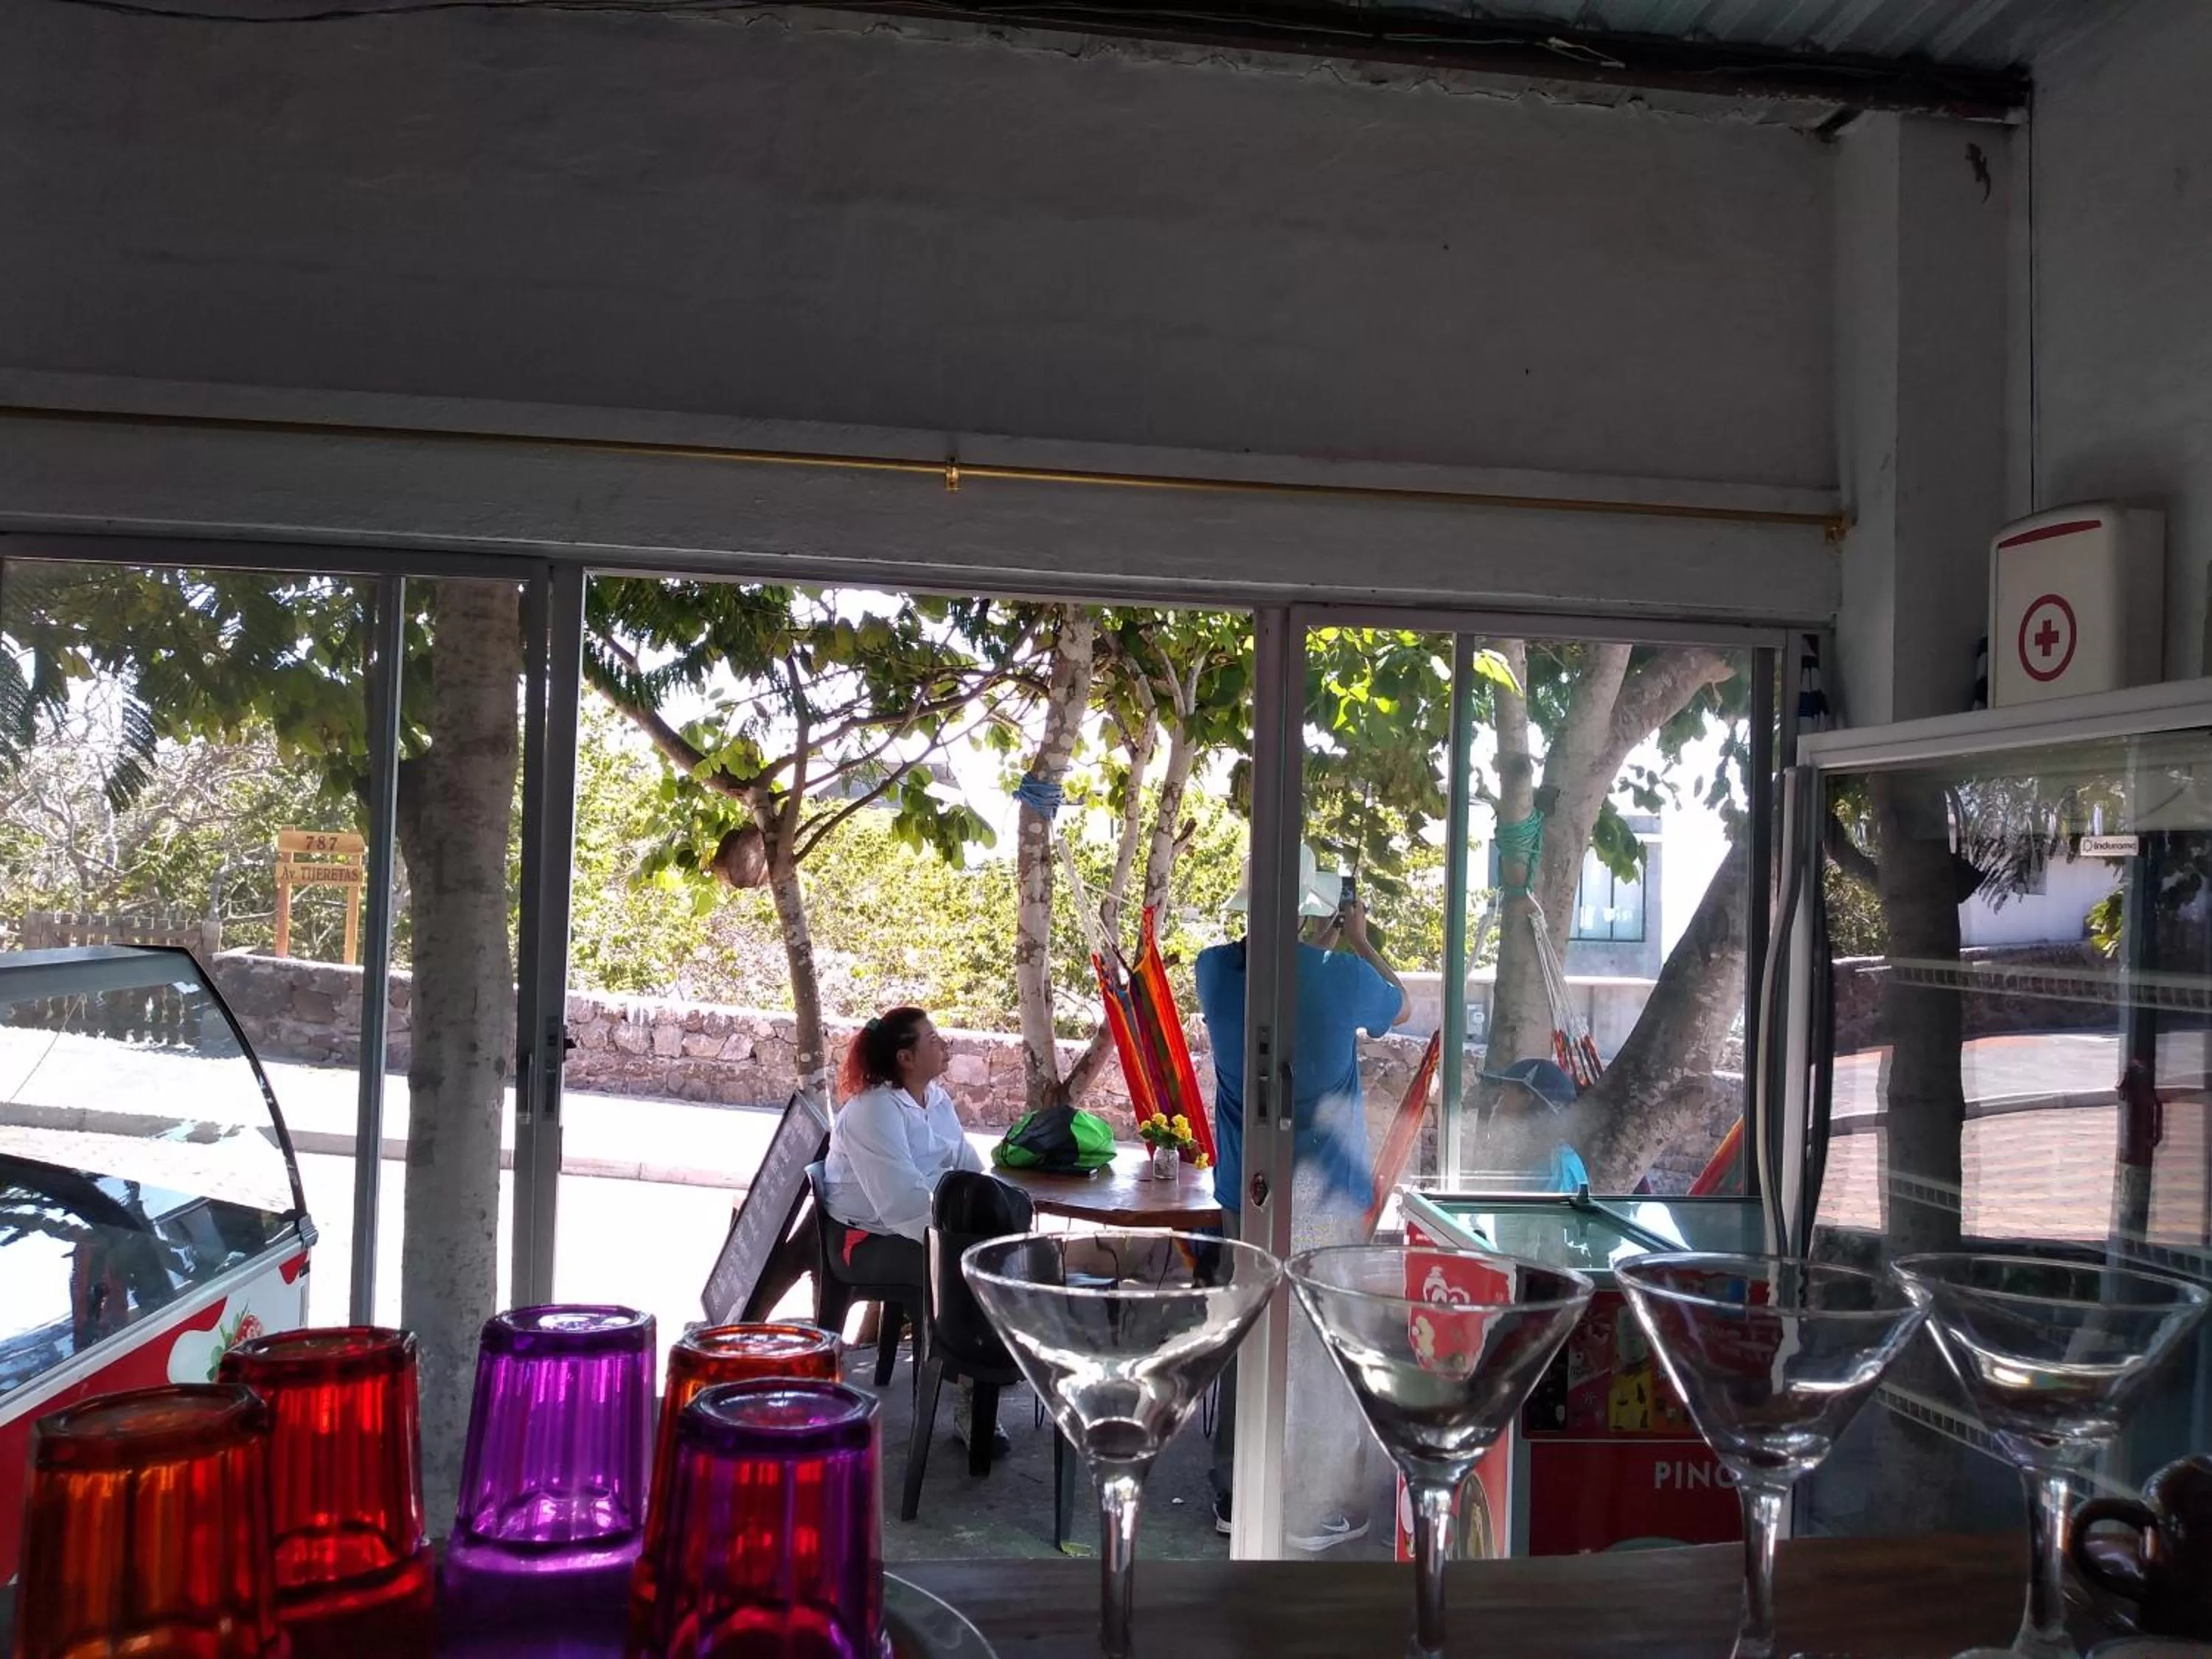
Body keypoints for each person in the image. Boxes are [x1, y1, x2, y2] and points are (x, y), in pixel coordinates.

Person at [1196, 844, 1411, 1550]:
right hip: (1324, 1193)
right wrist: (1355, 937)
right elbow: (1397, 1007)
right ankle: (1313, 1504)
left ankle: (1234, 1490)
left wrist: (1313, 937)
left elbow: (1270, 977)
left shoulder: (1215, 973)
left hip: (1245, 1187)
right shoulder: (1343, 976)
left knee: (1251, 1330)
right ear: (1310, 907)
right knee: (1318, 1341)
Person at [821, 1005, 1005, 1454]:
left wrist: (991, 1209)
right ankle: (970, 1391)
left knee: (1000, 1253)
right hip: (868, 1241)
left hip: (925, 1227)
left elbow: (965, 1165)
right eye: (932, 1039)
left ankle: (982, 1370)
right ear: (905, 1057)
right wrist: (968, 1236)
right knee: (973, 1269)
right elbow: (901, 1204)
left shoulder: (934, 1098)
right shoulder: (874, 1110)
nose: (943, 1046)